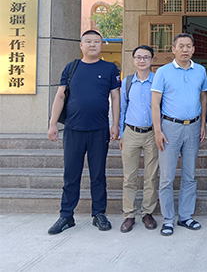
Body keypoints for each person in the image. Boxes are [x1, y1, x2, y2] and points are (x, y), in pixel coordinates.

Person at [47, 30, 121, 235]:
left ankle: (99, 213)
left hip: (99, 130)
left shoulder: (109, 68)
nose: (92, 45)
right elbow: (60, 97)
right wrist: (52, 124)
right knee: (71, 174)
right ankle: (66, 215)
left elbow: (115, 97)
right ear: (81, 45)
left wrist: (115, 124)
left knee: (98, 175)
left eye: (96, 41)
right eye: (88, 41)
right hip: (73, 129)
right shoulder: (71, 68)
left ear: (101, 45)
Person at [151, 33, 207, 236]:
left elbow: (203, 98)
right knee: (167, 177)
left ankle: (185, 216)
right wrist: (157, 130)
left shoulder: (200, 70)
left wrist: (203, 124)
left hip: (193, 126)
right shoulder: (163, 72)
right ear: (173, 49)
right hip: (169, 128)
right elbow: (155, 103)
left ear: (193, 49)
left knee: (190, 175)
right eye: (181, 46)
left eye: (188, 46)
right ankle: (168, 219)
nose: (185, 49)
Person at [118, 45, 158, 233]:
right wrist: (121, 134)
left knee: (151, 176)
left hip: (152, 134)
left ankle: (147, 212)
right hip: (131, 133)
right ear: (133, 60)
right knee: (129, 177)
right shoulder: (127, 82)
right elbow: (121, 109)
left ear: (152, 60)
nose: (142, 60)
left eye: (146, 57)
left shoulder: (158, 81)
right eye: (138, 57)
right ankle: (129, 214)